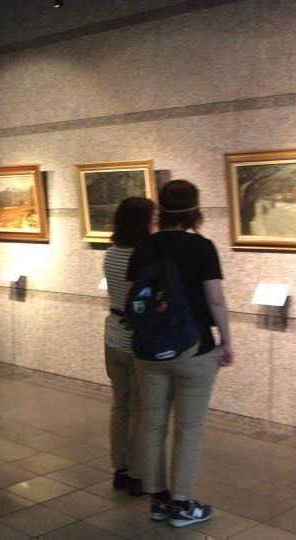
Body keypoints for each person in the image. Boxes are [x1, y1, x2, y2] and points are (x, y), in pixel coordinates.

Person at [126, 180, 233, 527]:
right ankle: (182, 504)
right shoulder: (202, 247)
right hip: (194, 349)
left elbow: (132, 298)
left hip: (149, 352)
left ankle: (158, 500)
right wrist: (226, 340)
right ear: (195, 209)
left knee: (152, 423)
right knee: (189, 428)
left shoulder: (143, 246)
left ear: (161, 208)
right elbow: (215, 299)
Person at [104, 197, 155, 495]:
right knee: (141, 408)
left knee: (120, 405)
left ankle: (119, 468)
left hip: (113, 335)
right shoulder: (144, 255)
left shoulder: (110, 253)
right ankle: (137, 472)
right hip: (136, 338)